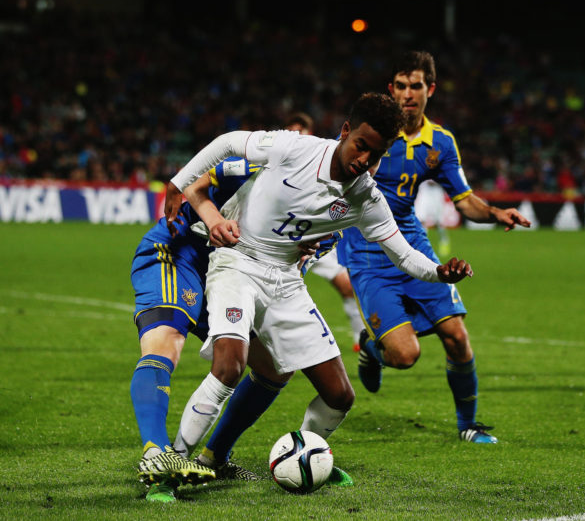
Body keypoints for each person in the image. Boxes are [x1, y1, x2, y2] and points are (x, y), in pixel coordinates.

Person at [163, 93, 474, 483]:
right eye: (361, 145)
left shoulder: (366, 198)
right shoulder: (294, 148)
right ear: (345, 131)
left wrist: (441, 273)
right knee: (229, 365)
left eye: (375, 155)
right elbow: (228, 143)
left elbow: (406, 256)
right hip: (238, 260)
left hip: (286, 281)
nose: (364, 161)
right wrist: (178, 183)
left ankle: (305, 458)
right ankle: (173, 461)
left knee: (340, 396)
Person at [339, 51, 531, 444]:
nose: (409, 94)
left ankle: (469, 425)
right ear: (390, 89)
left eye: (417, 86)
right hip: (370, 255)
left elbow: (464, 200)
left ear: (431, 89)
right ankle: (372, 351)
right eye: (402, 86)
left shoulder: (440, 143)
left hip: (415, 246)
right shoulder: (370, 132)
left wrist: (496, 213)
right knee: (405, 356)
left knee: (457, 337)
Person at [130, 156, 265, 502]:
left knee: (272, 363)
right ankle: (156, 452)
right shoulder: (251, 164)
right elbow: (194, 181)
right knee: (165, 341)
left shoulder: (315, 196)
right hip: (179, 251)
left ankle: (215, 456)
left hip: (227, 272)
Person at [285, 112, 365, 352]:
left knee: (346, 285)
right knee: (277, 293)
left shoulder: (319, 159)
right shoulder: (277, 161)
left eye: (302, 133)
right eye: (293, 133)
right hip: (283, 237)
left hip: (314, 237)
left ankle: (359, 337)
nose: (297, 138)